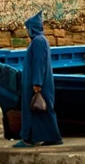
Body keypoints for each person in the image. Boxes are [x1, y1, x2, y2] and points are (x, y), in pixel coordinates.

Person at [13, 11, 63, 147]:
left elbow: (39, 63)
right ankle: (37, 137)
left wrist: (37, 82)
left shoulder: (39, 41)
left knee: (40, 109)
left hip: (38, 82)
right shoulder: (39, 41)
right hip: (38, 81)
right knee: (39, 110)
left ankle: (30, 139)